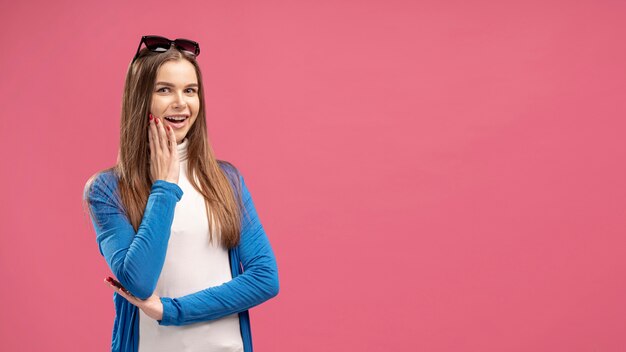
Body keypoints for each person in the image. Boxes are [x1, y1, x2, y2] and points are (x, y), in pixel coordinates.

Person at [82, 35, 279, 352]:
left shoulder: (226, 180)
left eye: (190, 90)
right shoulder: (107, 190)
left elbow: (264, 278)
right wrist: (165, 186)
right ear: (140, 99)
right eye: (164, 90)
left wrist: (173, 311)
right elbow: (139, 282)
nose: (181, 102)